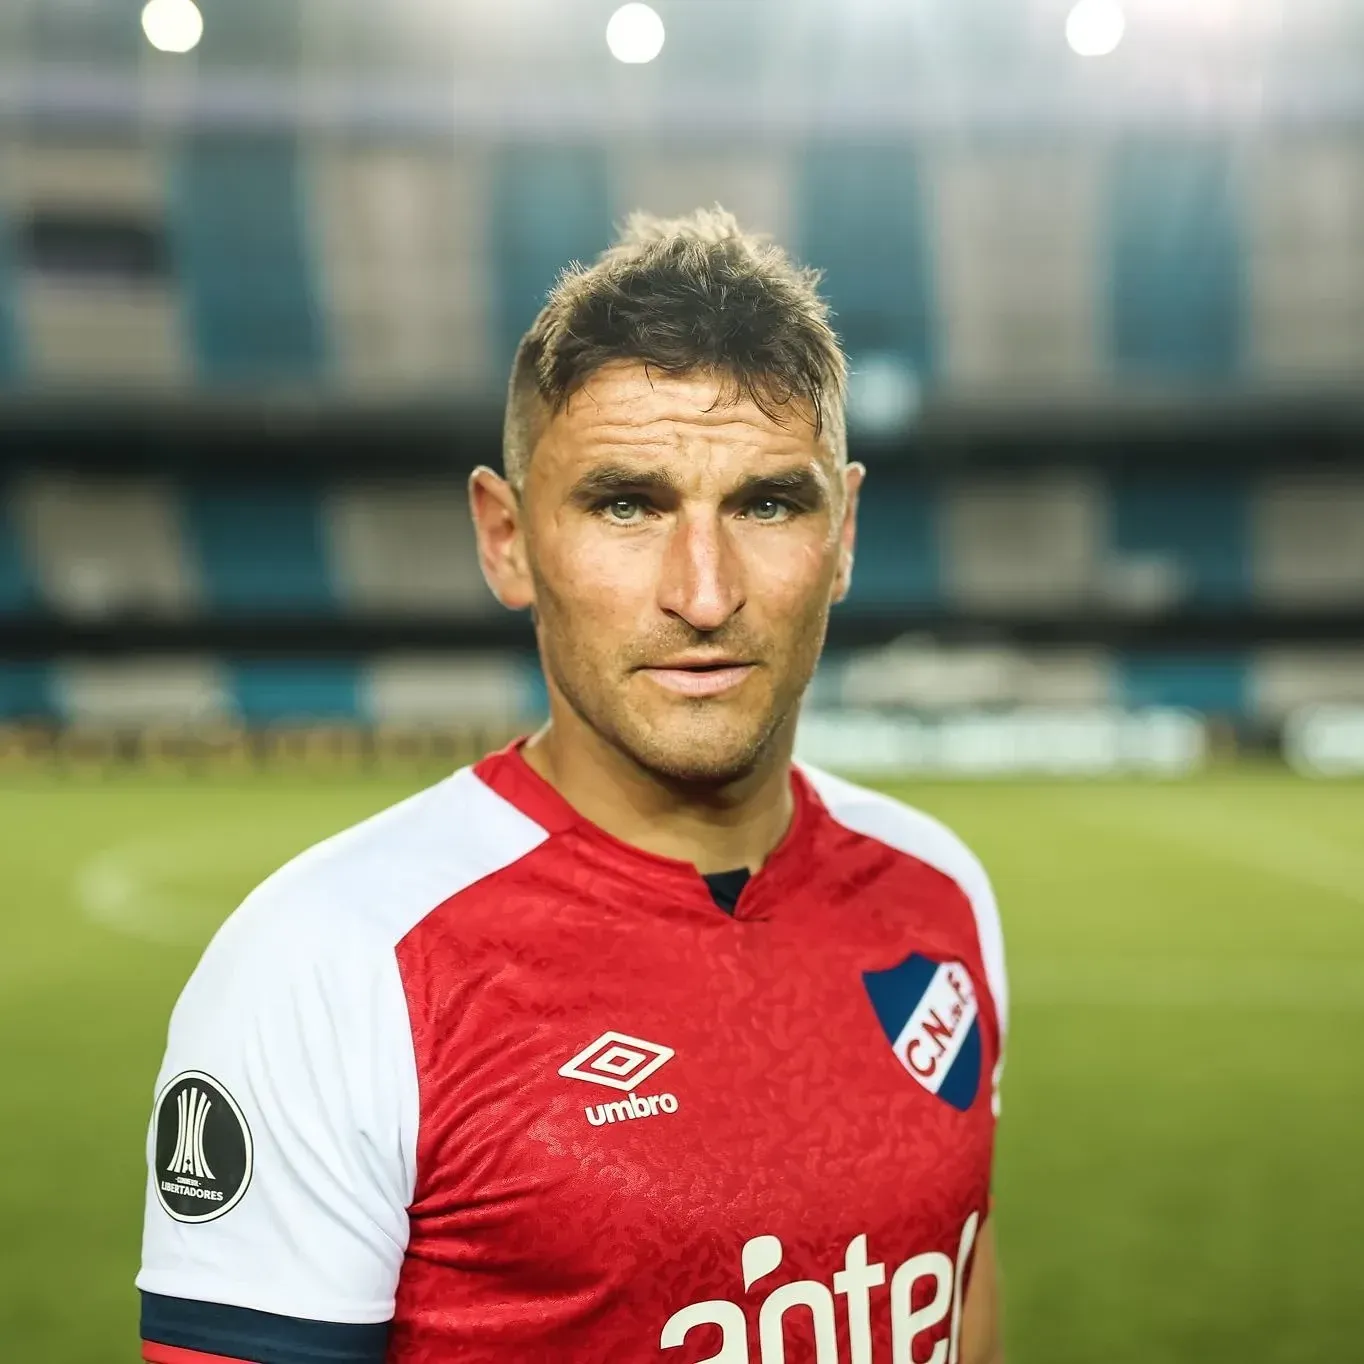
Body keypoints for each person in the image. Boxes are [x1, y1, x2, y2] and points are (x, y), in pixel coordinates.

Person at [137, 207, 1007, 1364]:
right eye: (625, 503)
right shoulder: (329, 965)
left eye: (764, 503)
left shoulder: (938, 888)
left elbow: (960, 1298)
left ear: (842, 534)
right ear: (504, 538)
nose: (703, 593)